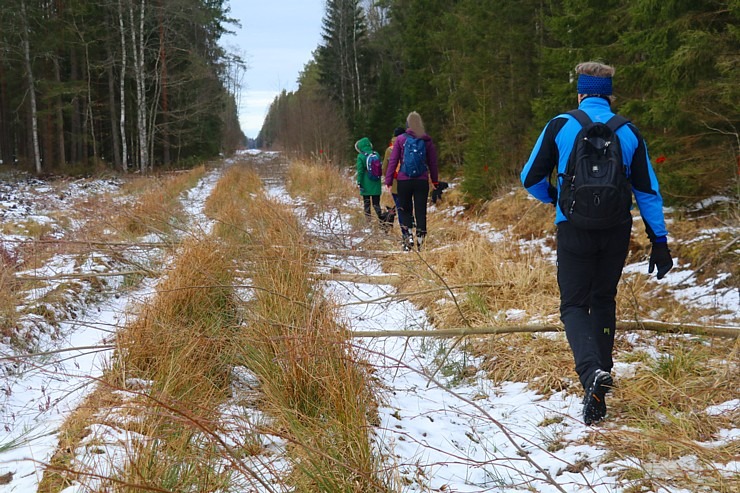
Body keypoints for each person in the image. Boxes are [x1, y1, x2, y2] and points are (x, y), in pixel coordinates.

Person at [520, 61, 674, 426]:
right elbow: (647, 191)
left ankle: (590, 374)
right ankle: (600, 387)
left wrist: (555, 197)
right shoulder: (628, 131)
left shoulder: (561, 124)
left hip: (573, 227)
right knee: (603, 300)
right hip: (616, 229)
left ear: (580, 92)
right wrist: (660, 241)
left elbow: (529, 177)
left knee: (574, 304)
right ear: (610, 94)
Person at [385, 112, 439, 251]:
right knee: (420, 211)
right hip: (421, 181)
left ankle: (408, 236)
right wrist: (435, 180)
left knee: (404, 209)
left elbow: (393, 161)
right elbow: (433, 163)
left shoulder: (400, 139)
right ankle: (421, 240)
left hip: (404, 180)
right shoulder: (427, 140)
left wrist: (389, 180)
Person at [381, 127, 406, 231]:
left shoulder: (390, 149)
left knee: (399, 208)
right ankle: (411, 226)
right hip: (409, 182)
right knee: (407, 206)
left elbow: (385, 169)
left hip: (396, 183)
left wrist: (388, 181)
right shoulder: (409, 145)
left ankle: (405, 233)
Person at [355, 137, 383, 223]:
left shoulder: (360, 156)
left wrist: (359, 181)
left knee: (366, 203)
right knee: (376, 204)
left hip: (365, 182)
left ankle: (368, 222)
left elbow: (360, 171)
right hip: (376, 182)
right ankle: (382, 220)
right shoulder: (376, 154)